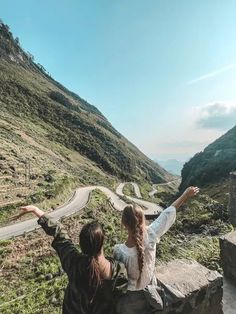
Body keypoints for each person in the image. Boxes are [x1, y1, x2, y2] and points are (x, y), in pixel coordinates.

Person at [17, 205, 128, 314]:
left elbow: (60, 234)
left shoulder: (73, 262)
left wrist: (36, 210)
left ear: (81, 244)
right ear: (102, 242)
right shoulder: (118, 270)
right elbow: (120, 302)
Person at [113, 186, 199, 314]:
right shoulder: (152, 235)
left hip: (130, 302)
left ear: (124, 224)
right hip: (152, 294)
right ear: (143, 220)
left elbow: (117, 279)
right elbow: (167, 214)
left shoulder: (118, 251)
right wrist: (186, 195)